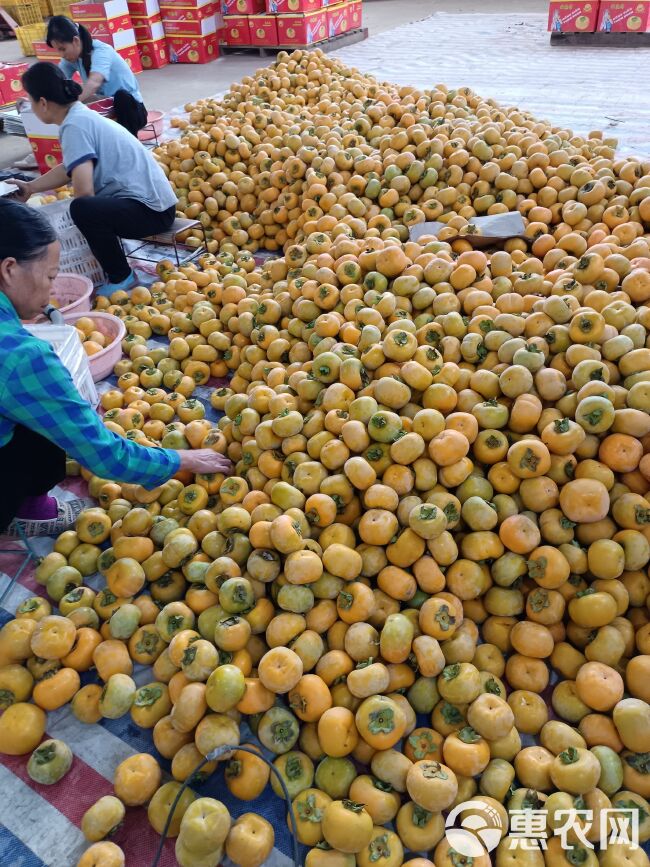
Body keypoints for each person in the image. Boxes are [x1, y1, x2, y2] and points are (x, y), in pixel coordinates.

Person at [0, 199, 230, 538]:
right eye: (50, 276)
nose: (51, 291)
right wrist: (185, 460)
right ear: (9, 269)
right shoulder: (24, 357)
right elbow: (103, 454)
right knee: (52, 421)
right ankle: (27, 510)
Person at [11, 62, 176, 294]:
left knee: (83, 208)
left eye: (30, 100)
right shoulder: (79, 117)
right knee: (85, 207)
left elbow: (84, 193)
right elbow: (69, 167)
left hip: (151, 212)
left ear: (44, 103)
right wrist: (30, 187)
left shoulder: (74, 125)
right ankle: (120, 272)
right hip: (157, 206)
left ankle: (122, 276)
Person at [46, 15, 147, 136]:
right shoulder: (72, 58)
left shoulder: (101, 51)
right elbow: (56, 80)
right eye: (58, 50)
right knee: (73, 94)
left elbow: (94, 82)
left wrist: (67, 104)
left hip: (132, 112)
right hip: (108, 111)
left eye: (62, 49)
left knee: (121, 97)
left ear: (76, 41)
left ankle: (130, 144)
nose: (61, 55)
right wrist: (36, 97)